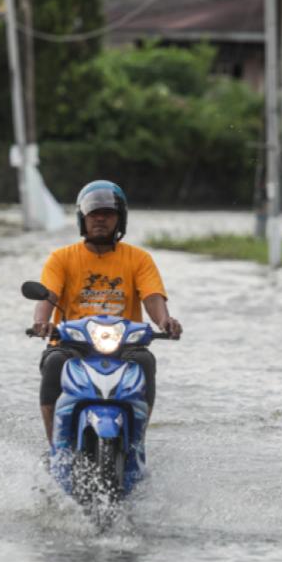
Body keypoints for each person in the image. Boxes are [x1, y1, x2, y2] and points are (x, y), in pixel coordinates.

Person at [31, 180, 182, 446]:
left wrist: (164, 321)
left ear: (120, 219)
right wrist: (41, 322)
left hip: (124, 345)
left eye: (108, 213)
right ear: (82, 218)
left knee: (146, 362)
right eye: (93, 213)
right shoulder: (61, 258)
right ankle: (53, 445)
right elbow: (48, 295)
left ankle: (137, 439)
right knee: (54, 363)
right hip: (71, 343)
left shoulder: (139, 258)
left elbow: (152, 297)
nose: (100, 219)